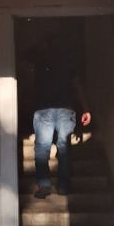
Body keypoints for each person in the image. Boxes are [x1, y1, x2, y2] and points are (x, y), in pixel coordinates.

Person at [31, 49, 91, 198]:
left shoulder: (39, 63)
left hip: (44, 109)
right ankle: (63, 186)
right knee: (64, 148)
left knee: (42, 148)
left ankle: (44, 185)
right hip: (65, 109)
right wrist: (86, 109)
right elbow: (78, 85)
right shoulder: (68, 64)